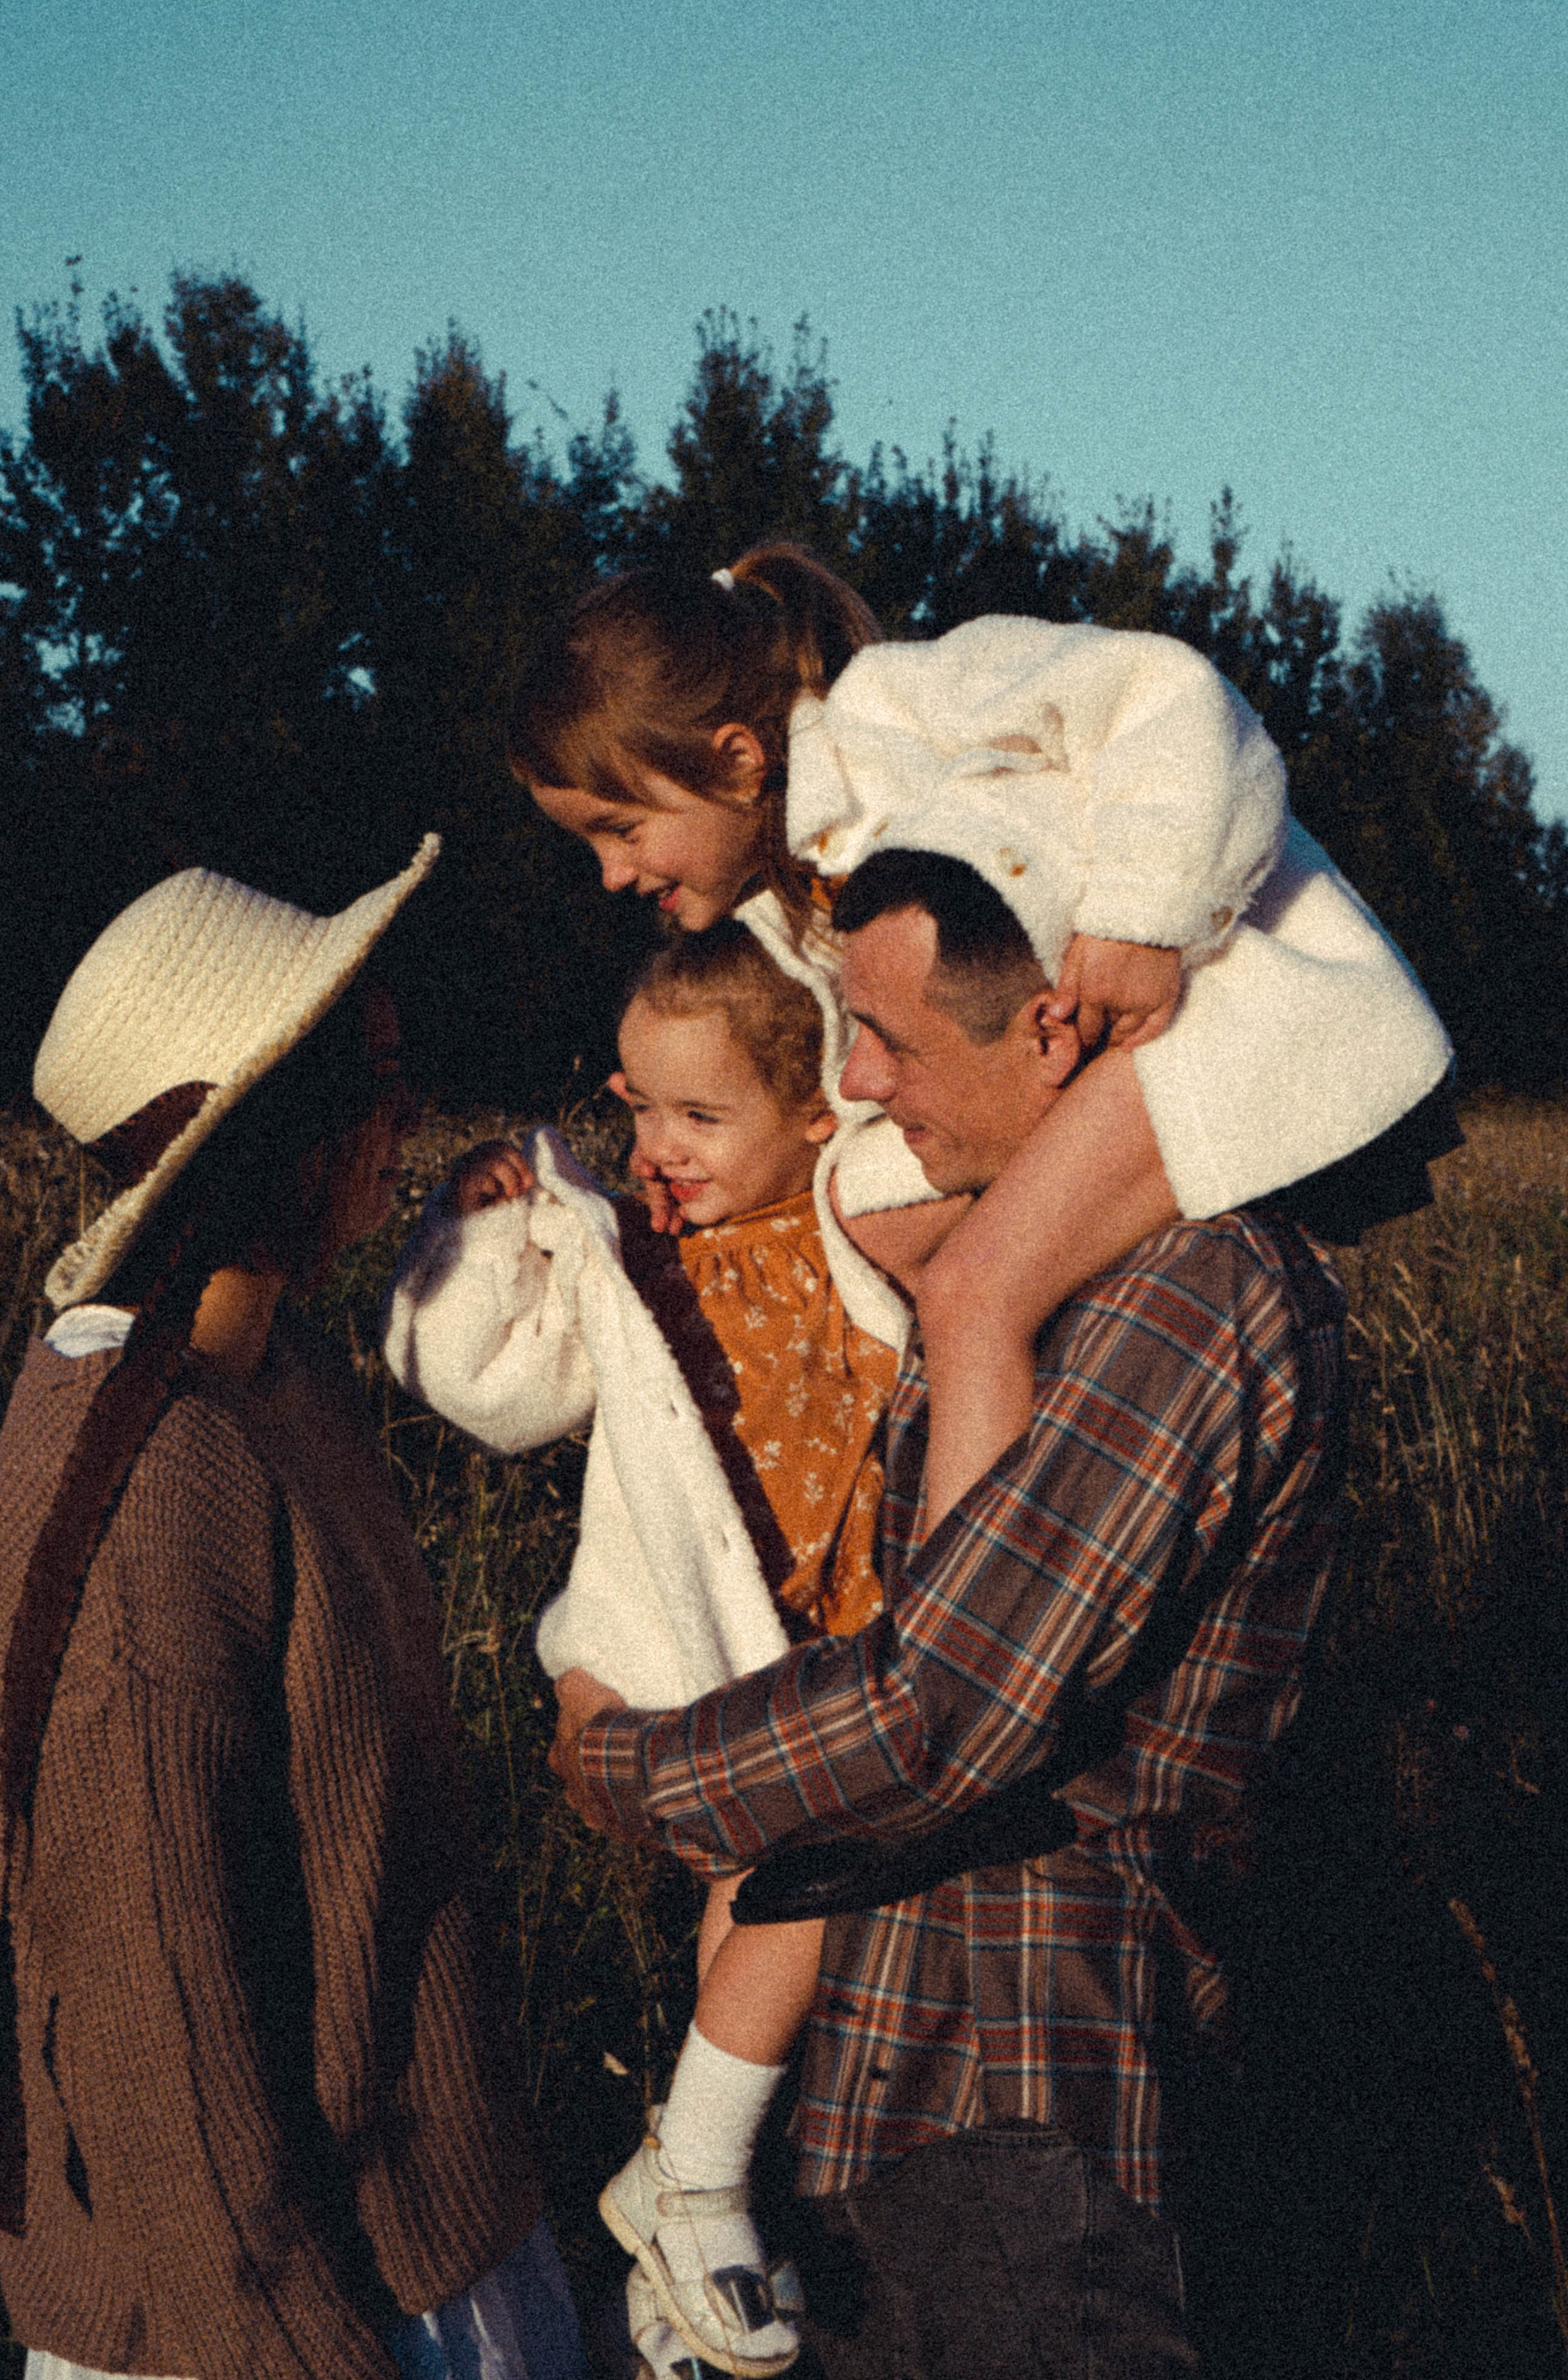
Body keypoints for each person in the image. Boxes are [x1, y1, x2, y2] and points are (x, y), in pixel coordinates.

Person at [548, 847, 1352, 2378]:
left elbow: (941, 1714)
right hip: (894, 2082)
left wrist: (620, 1764)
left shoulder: (1187, 1293)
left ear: (1055, 1025)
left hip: (1029, 2101)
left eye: (894, 1044)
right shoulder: (1016, 1258)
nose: (854, 1084)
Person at [506, 544, 1453, 1538]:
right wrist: (706, 1164)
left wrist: (1143, 915)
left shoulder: (897, 703)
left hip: (1222, 1017)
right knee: (869, 1211)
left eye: (621, 827)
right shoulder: (790, 899)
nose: (612, 874)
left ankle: (955, 1660)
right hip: (1104, 1044)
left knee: (974, 1292)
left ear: (739, 760)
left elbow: (1170, 693)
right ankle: (1042, 1475)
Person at [0, 845, 588, 2380]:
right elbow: (153, 2022)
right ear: (275, 1129)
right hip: (259, 2321)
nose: (408, 1114)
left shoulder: (274, 1373)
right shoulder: (146, 1493)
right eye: (375, 1082)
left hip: (424, 2246)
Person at [384, 922, 902, 2377]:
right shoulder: (632, 1263)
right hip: (697, 1645)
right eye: (637, 1110)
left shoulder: (855, 1218)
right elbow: (473, 1381)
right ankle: (698, 2181)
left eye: (699, 1115)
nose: (657, 1147)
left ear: (821, 1113)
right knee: (794, 1883)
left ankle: (690, 2237)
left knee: (786, 1928)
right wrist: (487, 1231)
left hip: (832, 1635)